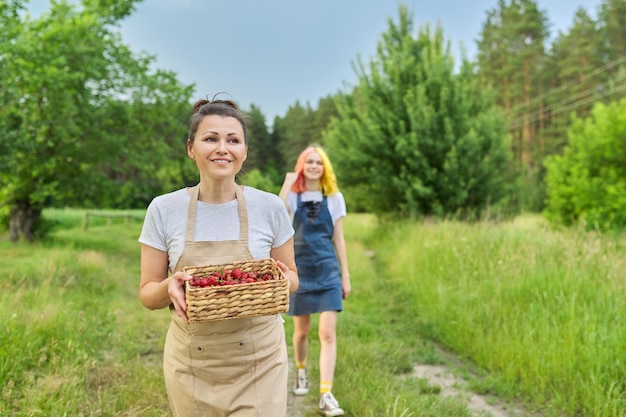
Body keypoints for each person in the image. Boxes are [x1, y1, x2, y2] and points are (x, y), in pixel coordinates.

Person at [138, 96, 299, 417]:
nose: (222, 148)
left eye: (233, 140)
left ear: (245, 152)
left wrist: (281, 281)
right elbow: (148, 294)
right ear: (191, 148)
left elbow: (293, 278)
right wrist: (169, 285)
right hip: (192, 361)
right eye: (210, 138)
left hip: (260, 359)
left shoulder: (269, 207)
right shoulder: (163, 209)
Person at [278, 145, 351, 417]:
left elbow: (339, 238)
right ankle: (300, 371)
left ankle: (325, 394)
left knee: (328, 333)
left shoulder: (334, 197)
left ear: (324, 167)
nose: (313, 166)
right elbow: (277, 209)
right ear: (301, 165)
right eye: (308, 161)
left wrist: (345, 275)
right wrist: (288, 181)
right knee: (301, 332)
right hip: (301, 269)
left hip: (327, 269)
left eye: (318, 162)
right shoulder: (293, 198)